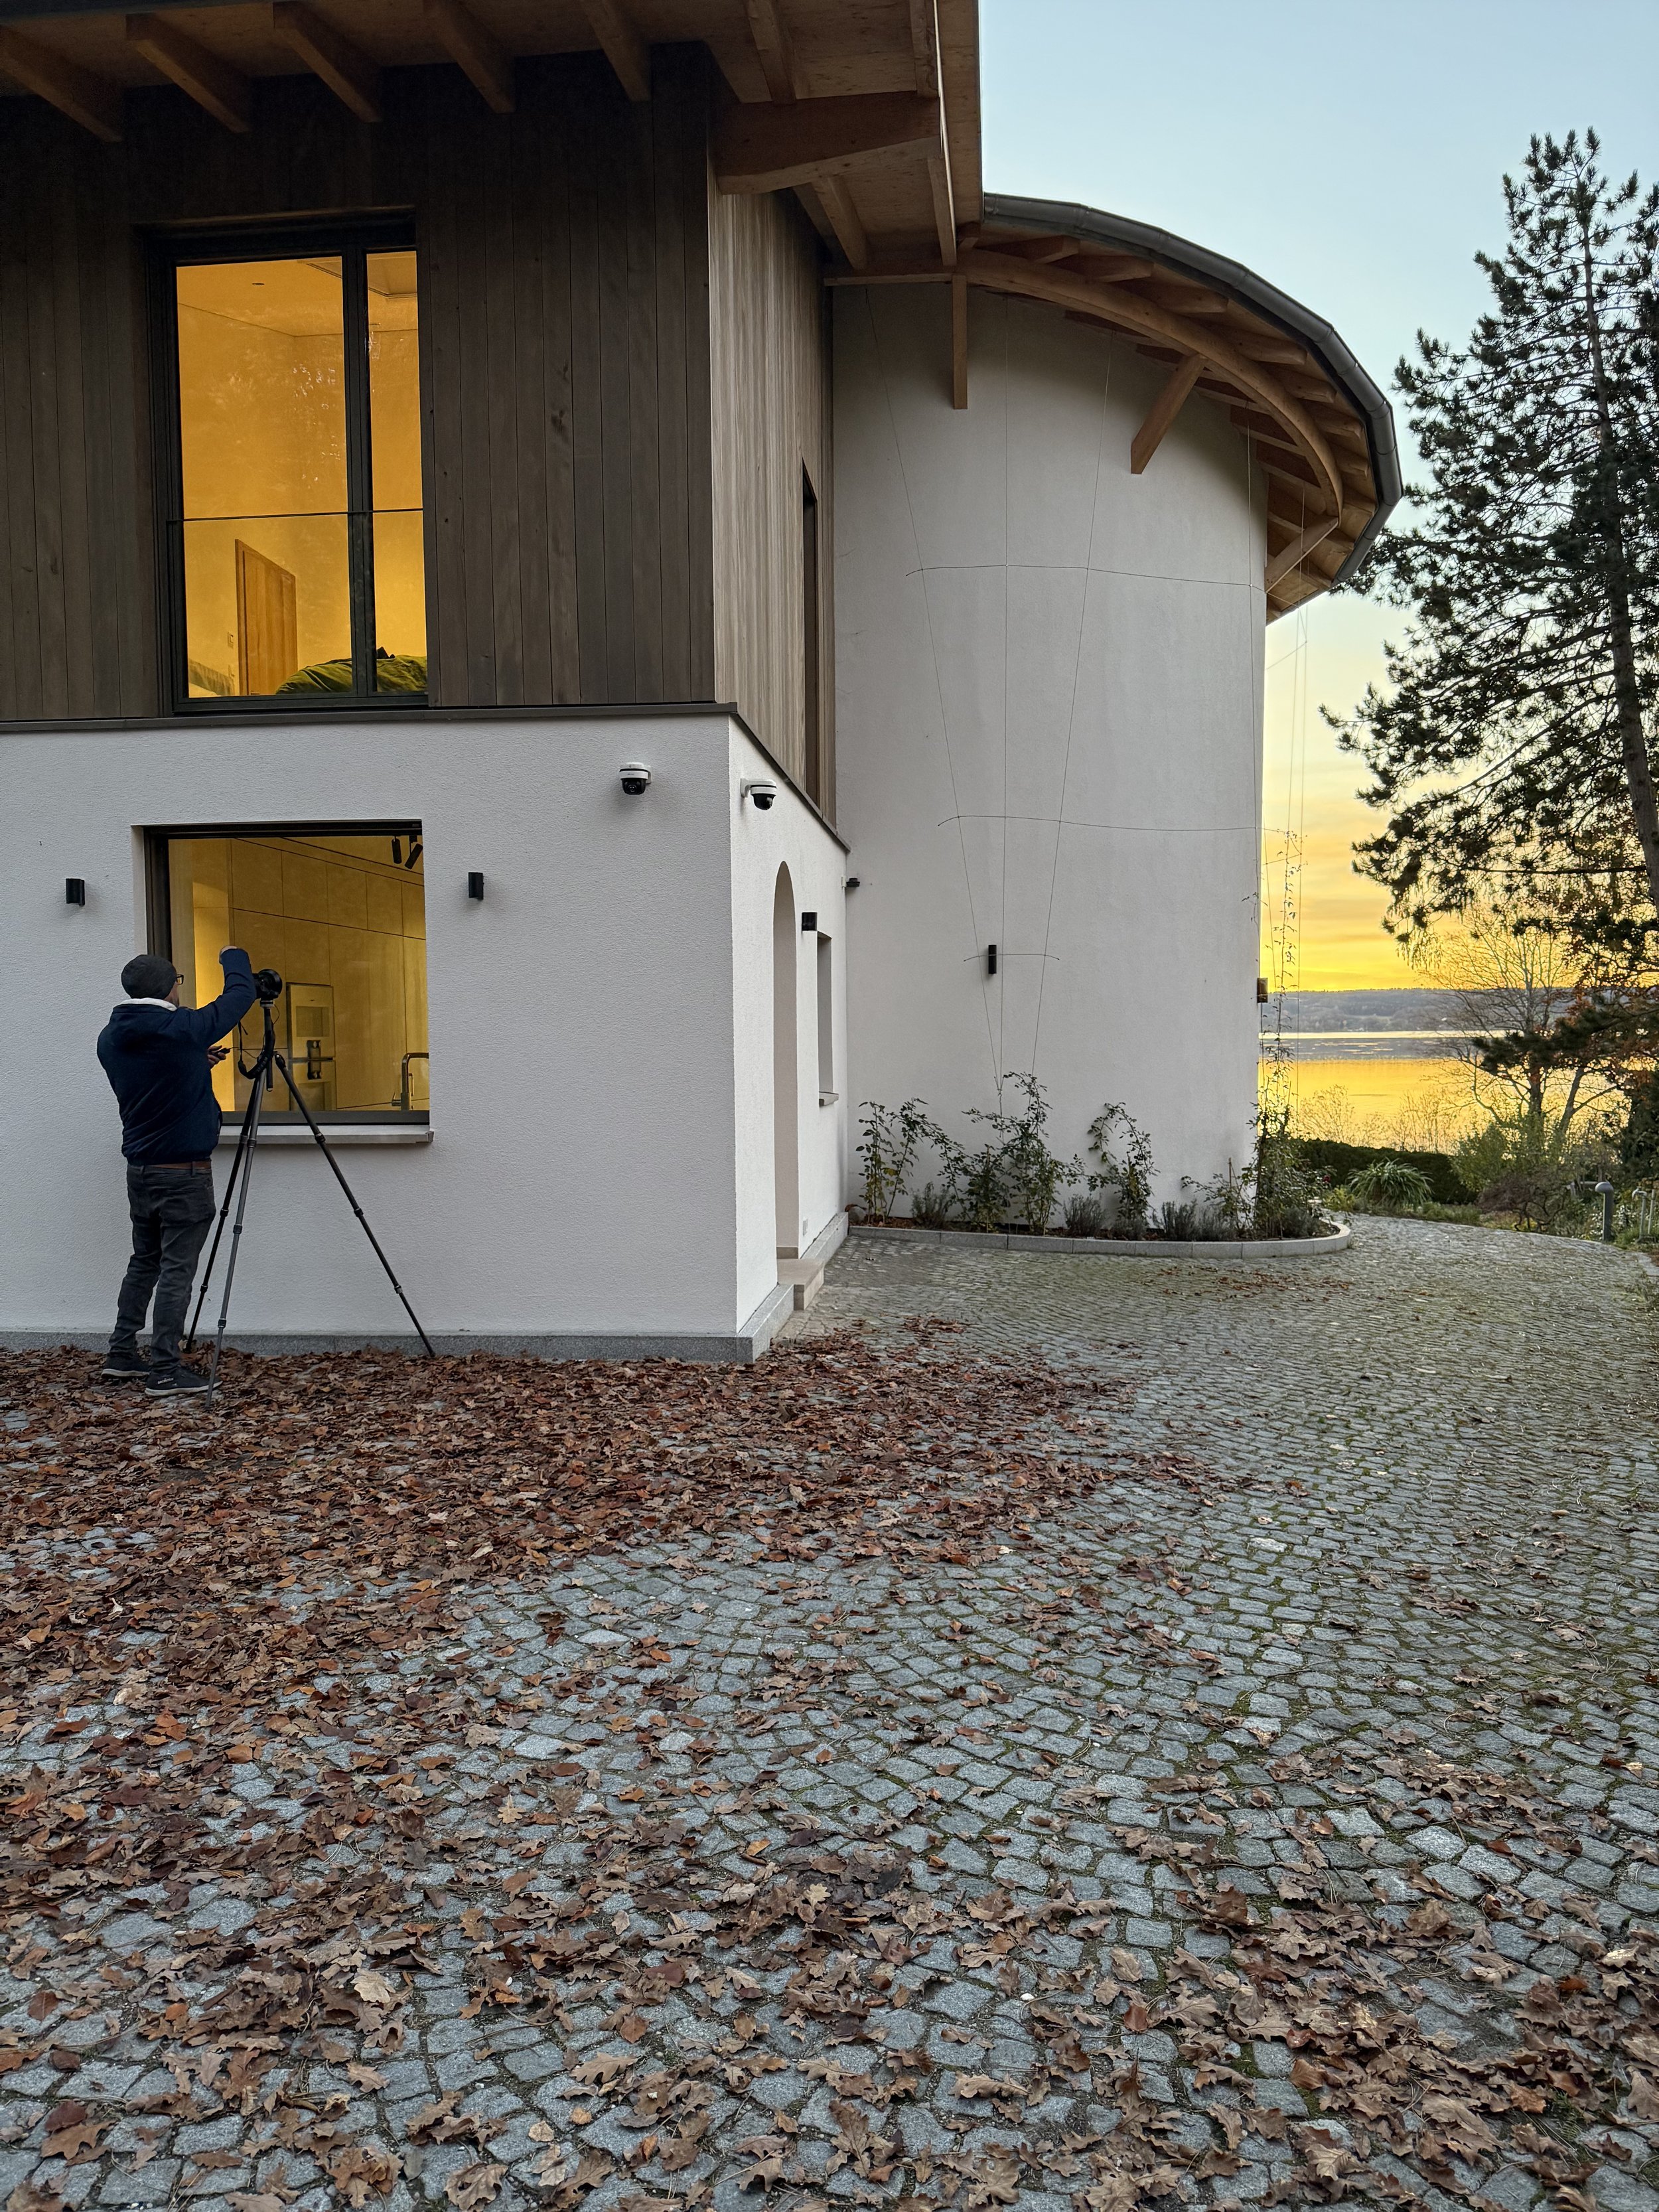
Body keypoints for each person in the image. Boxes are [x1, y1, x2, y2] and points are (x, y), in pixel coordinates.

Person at [97, 947, 257, 1395]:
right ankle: (165, 1370)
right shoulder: (182, 1028)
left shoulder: (111, 1037)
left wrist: (191, 1062)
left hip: (141, 1170)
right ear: (170, 988)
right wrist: (233, 957)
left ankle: (122, 1354)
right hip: (183, 1173)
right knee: (176, 1271)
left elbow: (151, 1076)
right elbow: (239, 996)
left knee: (144, 1261)